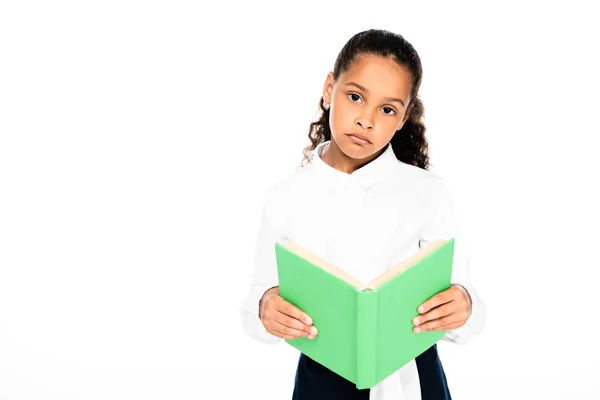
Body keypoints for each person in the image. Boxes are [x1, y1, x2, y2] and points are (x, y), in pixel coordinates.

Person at [239, 28, 486, 400]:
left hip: (413, 383)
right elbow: (259, 298)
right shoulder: (284, 198)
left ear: (403, 118)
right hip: (321, 383)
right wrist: (266, 308)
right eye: (355, 97)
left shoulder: (428, 193)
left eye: (387, 109)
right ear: (328, 89)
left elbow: (464, 301)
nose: (367, 120)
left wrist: (463, 304)